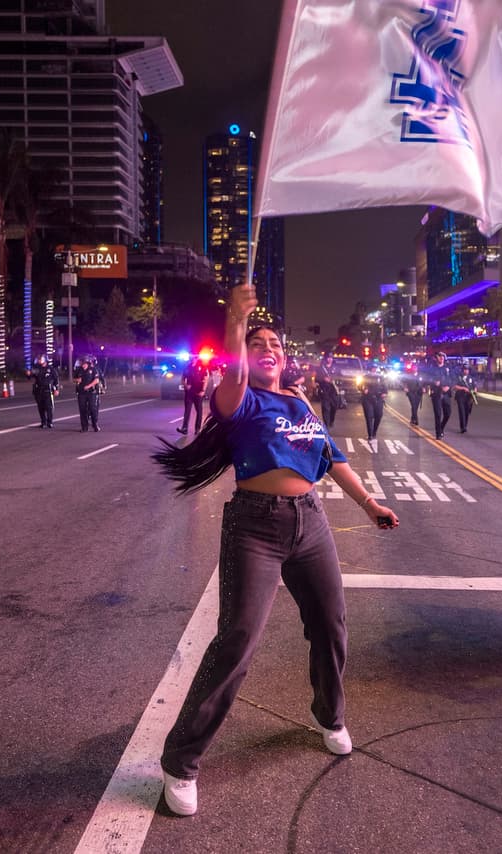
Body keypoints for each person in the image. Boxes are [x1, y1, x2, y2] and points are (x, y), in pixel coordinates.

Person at [151, 283, 399, 817]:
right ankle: (181, 760)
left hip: (310, 522)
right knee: (238, 639)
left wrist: (369, 505)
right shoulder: (237, 396)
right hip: (254, 527)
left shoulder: (299, 399)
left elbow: (331, 457)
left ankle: (329, 716)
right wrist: (235, 323)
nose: (270, 349)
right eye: (259, 342)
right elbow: (235, 369)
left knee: (331, 624)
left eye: (277, 345)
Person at [424, 351, 454, 440]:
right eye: (439, 356)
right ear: (436, 358)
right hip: (436, 394)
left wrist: (449, 386)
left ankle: (441, 427)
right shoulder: (432, 369)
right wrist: (433, 382)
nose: (441, 358)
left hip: (446, 394)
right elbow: (427, 379)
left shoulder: (448, 369)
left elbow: (454, 379)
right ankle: (438, 433)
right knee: (438, 414)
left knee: (448, 413)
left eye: (442, 356)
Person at [178, 356, 210, 435]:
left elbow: (206, 379)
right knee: (187, 411)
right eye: (191, 358)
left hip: (198, 392)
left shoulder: (202, 367)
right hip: (189, 393)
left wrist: (203, 391)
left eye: (194, 358)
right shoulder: (187, 368)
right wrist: (185, 385)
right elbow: (182, 378)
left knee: (199, 411)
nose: (192, 360)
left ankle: (197, 429)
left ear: (196, 359)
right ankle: (184, 428)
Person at [28, 354, 59, 428]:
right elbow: (31, 376)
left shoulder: (50, 369)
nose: (39, 360)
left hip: (48, 390)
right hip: (39, 390)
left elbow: (56, 379)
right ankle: (43, 422)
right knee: (40, 407)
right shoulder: (37, 368)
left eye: (40, 359)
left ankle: (50, 422)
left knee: (49, 407)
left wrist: (56, 389)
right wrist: (28, 374)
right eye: (38, 359)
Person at [359, 369, 388, 440]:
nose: (374, 370)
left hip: (378, 399)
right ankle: (370, 435)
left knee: (378, 415)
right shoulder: (365, 377)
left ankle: (374, 431)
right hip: (368, 399)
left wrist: (385, 393)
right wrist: (363, 389)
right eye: (372, 369)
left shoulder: (381, 378)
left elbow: (385, 388)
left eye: (375, 369)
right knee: (369, 417)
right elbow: (360, 386)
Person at [76, 355, 102, 432]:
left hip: (92, 392)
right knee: (82, 409)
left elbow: (96, 380)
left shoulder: (93, 370)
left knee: (92, 409)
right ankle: (84, 427)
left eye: (84, 363)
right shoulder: (79, 370)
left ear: (87, 363)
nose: (82, 364)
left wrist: (89, 386)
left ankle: (95, 424)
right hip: (81, 392)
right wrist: (77, 380)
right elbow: (74, 378)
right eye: (81, 363)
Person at [313, 353, 340, 428]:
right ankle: (326, 424)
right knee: (325, 408)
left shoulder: (335, 368)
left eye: (331, 358)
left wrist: (334, 380)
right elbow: (316, 379)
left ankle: (331, 420)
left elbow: (339, 377)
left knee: (334, 407)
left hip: (333, 391)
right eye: (328, 358)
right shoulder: (321, 368)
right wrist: (323, 379)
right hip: (324, 390)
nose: (329, 359)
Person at [453, 364, 477, 434]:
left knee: (466, 412)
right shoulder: (459, 377)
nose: (466, 371)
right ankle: (462, 427)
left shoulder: (471, 378)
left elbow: (474, 386)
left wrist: (475, 391)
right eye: (464, 369)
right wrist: (463, 388)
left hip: (468, 397)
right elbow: (455, 386)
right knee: (462, 411)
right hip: (460, 396)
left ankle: (465, 425)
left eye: (467, 369)